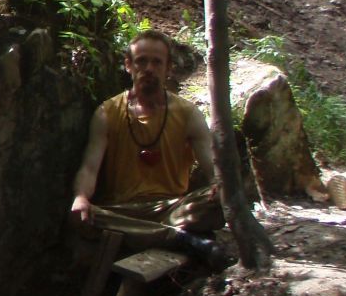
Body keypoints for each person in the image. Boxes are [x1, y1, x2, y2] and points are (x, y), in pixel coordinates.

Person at [68, 29, 228, 262]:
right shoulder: (107, 112)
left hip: (173, 208)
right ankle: (180, 238)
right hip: (124, 210)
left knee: (220, 200)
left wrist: (219, 184)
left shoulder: (187, 113)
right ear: (128, 65)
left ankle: (153, 234)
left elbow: (211, 162)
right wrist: (81, 196)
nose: (149, 69)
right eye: (141, 61)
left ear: (168, 68)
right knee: (83, 216)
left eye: (157, 62)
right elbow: (89, 168)